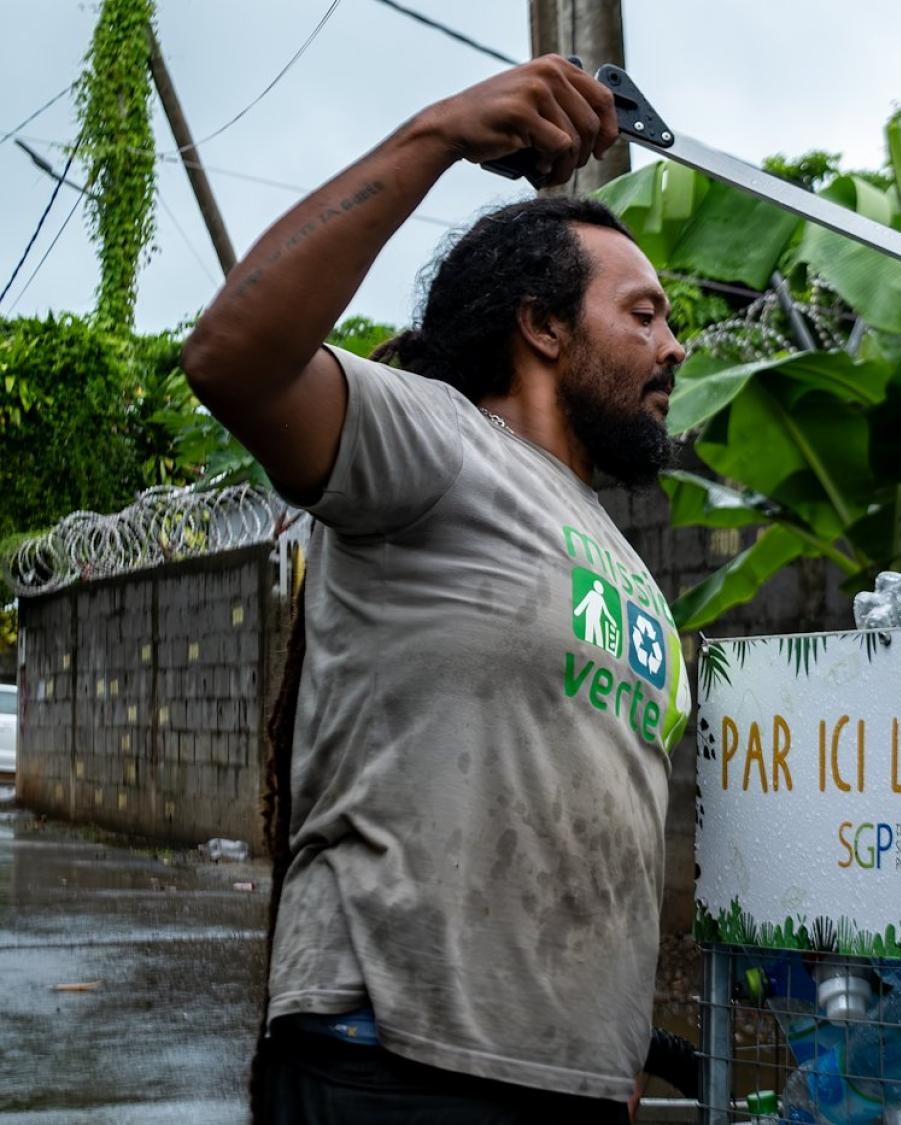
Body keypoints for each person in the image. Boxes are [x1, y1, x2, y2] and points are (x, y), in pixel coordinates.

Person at [182, 57, 692, 1122]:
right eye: (641, 315)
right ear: (542, 327)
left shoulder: (626, 562)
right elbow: (234, 359)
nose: (673, 345)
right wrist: (439, 134)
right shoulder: (435, 440)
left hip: (567, 1085)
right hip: (394, 1066)